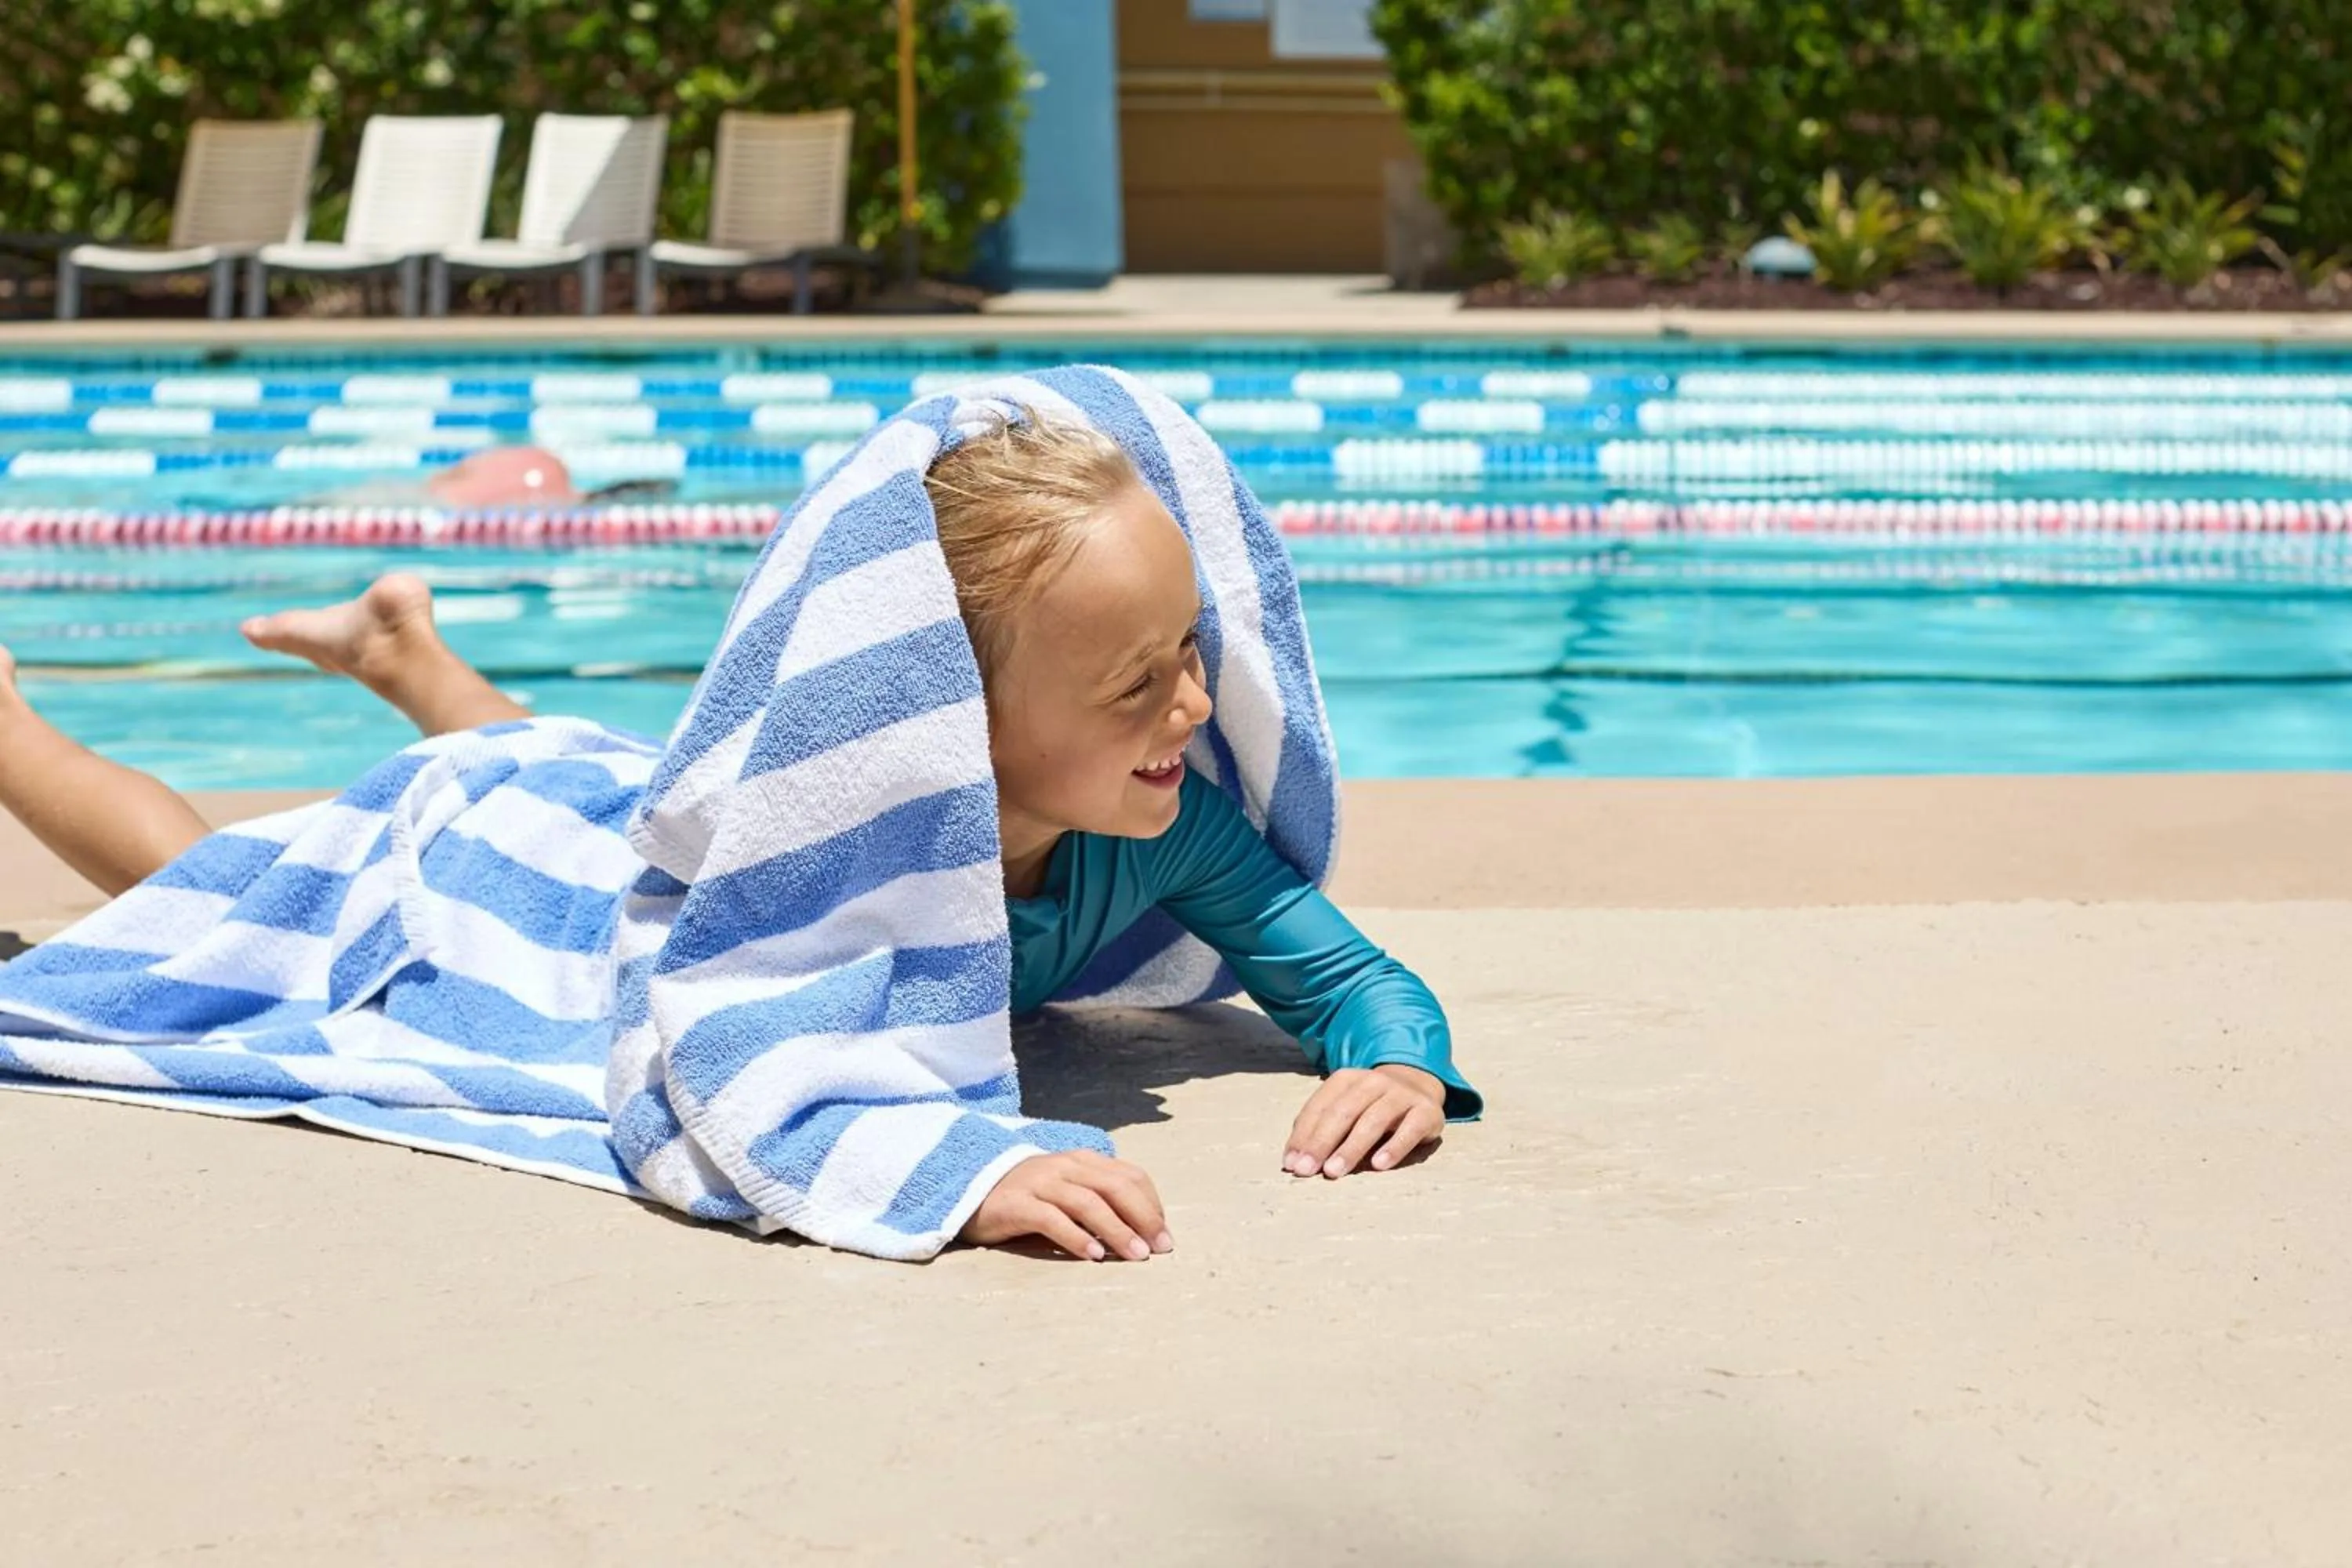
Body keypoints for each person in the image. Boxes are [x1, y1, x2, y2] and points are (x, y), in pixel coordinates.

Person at [0, 412, 1478, 1265]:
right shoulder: (815, 852)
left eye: (1189, 647)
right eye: (1136, 679)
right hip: (501, 865)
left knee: (551, 758)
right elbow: (715, 1071)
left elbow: (1351, 982)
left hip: (596, 792)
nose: (1199, 702)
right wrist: (941, 1175)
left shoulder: (1162, 832)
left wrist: (1397, 1060)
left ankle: (408, 655)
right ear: (939, 715)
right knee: (212, 901)